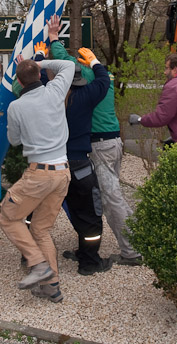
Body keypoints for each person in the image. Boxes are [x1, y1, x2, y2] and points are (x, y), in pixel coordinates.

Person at [47, 14, 142, 266]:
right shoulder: (104, 77)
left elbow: (64, 60)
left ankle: (132, 251)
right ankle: (134, 240)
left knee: (110, 199)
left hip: (100, 146)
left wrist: (54, 38)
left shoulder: (87, 78)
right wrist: (96, 62)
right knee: (111, 195)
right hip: (112, 143)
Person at [0, 56, 74, 304]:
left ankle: (38, 264)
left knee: (8, 216)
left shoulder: (16, 107)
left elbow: (14, 140)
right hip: (63, 173)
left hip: (39, 174)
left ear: (19, 82)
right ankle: (52, 287)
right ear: (39, 75)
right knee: (40, 229)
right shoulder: (55, 91)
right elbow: (68, 65)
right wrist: (41, 63)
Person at [62, 46, 112, 276]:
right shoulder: (85, 96)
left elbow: (33, 81)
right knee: (90, 216)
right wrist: (94, 62)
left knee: (44, 214)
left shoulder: (51, 97)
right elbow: (104, 80)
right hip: (80, 167)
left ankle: (31, 257)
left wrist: (39, 59)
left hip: (55, 166)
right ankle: (89, 262)